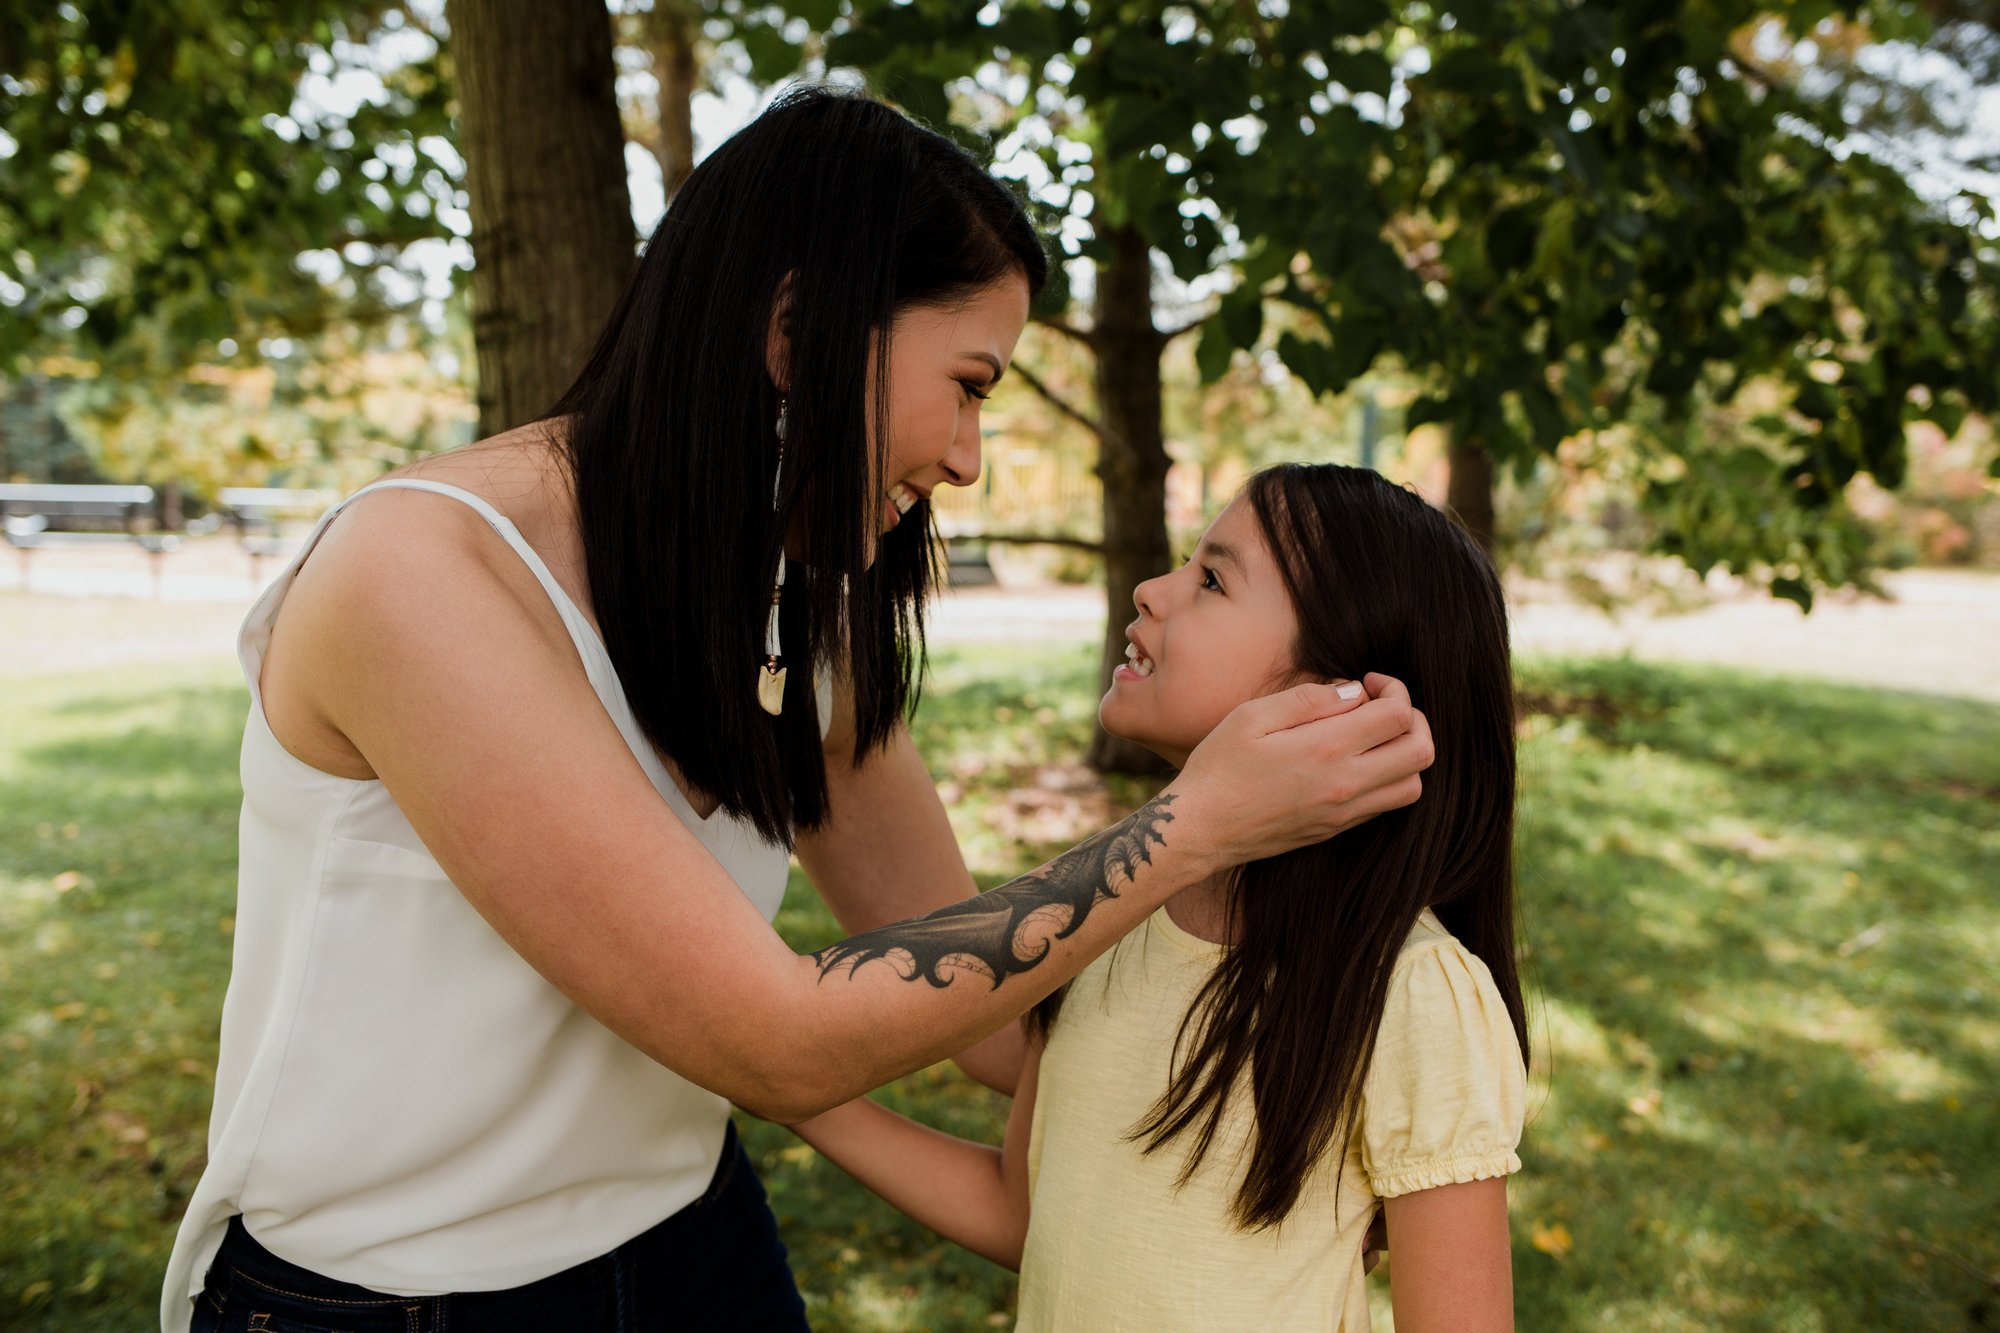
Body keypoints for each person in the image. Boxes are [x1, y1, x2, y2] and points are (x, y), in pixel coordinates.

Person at [162, 89, 1435, 1333]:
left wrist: (1347, 1060)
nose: (964, 459)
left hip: (686, 1237)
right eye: (969, 384)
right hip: (390, 1295)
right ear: (793, 333)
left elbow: (981, 1007)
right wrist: (1187, 827)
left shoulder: (795, 610)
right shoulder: (419, 578)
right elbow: (774, 1042)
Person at [792, 462, 1526, 1332]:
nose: (1150, 589)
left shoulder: (1410, 994)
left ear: (1338, 704)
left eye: (1211, 579)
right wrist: (792, 1082)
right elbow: (1022, 1210)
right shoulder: (1107, 917)